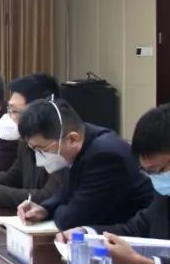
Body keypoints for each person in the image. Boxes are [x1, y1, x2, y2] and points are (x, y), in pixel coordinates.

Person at [59, 104, 170, 264]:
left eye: (158, 171)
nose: (157, 179)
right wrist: (87, 234)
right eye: (148, 172)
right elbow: (137, 228)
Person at [16, 99, 154, 230]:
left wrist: (58, 210)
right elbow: (66, 191)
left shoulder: (105, 157)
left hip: (138, 235)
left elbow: (72, 220)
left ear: (72, 139)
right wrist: (45, 209)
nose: (39, 156)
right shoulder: (78, 143)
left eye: (42, 149)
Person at [0, 73, 64, 208]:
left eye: (14, 111)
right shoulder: (24, 140)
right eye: (9, 110)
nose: (9, 117)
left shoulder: (60, 144)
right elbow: (14, 177)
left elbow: (48, 196)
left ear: (39, 111)